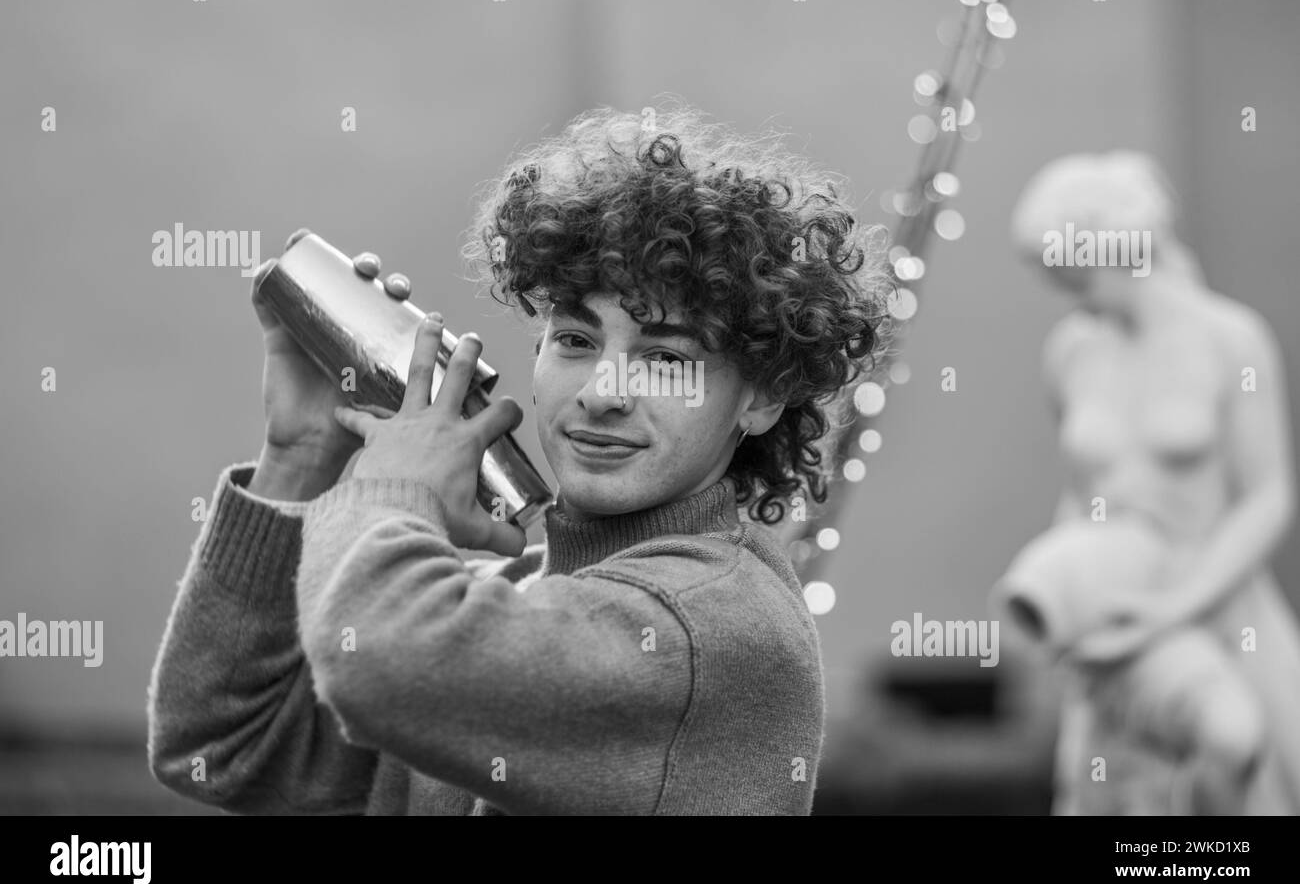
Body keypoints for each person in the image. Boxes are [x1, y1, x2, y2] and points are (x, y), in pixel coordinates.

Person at [146, 101, 891, 815]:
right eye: (575, 340)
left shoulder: (707, 623)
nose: (603, 393)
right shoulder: (507, 600)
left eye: (664, 357)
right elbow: (218, 748)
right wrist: (302, 453)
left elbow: (376, 662)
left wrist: (395, 490)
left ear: (762, 399)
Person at [994, 150, 1300, 814]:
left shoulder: (1230, 341)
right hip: (1112, 610)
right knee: (1121, 799)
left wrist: (1178, 605)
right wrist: (1061, 600)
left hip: (1213, 605)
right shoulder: (1074, 349)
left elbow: (1269, 498)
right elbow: (1082, 496)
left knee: (1235, 748)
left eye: (1075, 272)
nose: (1068, 291)